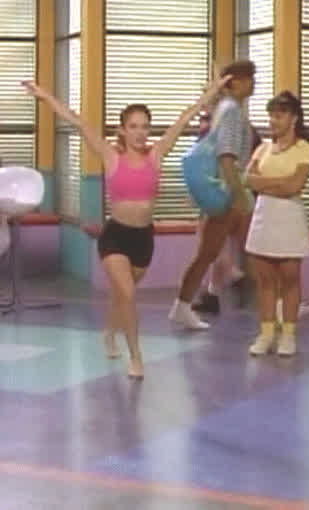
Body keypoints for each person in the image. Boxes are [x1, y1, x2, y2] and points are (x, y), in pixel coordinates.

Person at [22, 75, 230, 378]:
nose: (140, 132)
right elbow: (77, 122)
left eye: (145, 126)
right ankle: (136, 357)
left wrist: (213, 92)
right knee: (128, 294)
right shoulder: (111, 156)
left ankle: (109, 333)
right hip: (115, 237)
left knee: (122, 295)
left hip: (143, 239)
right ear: (122, 130)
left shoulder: (157, 154)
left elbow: (184, 118)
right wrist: (45, 96)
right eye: (133, 126)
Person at [169, 60, 256, 328]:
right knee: (218, 253)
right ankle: (276, 307)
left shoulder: (226, 109)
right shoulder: (232, 112)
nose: (253, 83)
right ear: (235, 82)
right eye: (248, 78)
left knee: (210, 253)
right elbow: (227, 157)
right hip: (227, 192)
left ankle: (184, 305)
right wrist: (238, 195)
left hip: (223, 190)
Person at [244, 91, 309, 356]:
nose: (273, 120)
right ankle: (266, 334)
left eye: (279, 115)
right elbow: (249, 180)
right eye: (271, 115)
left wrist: (266, 184)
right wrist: (279, 183)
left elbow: (294, 186)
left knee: (290, 279)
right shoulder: (262, 149)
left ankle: (288, 335)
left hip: (289, 218)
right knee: (265, 281)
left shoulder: (304, 149)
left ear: (293, 119)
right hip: (263, 217)